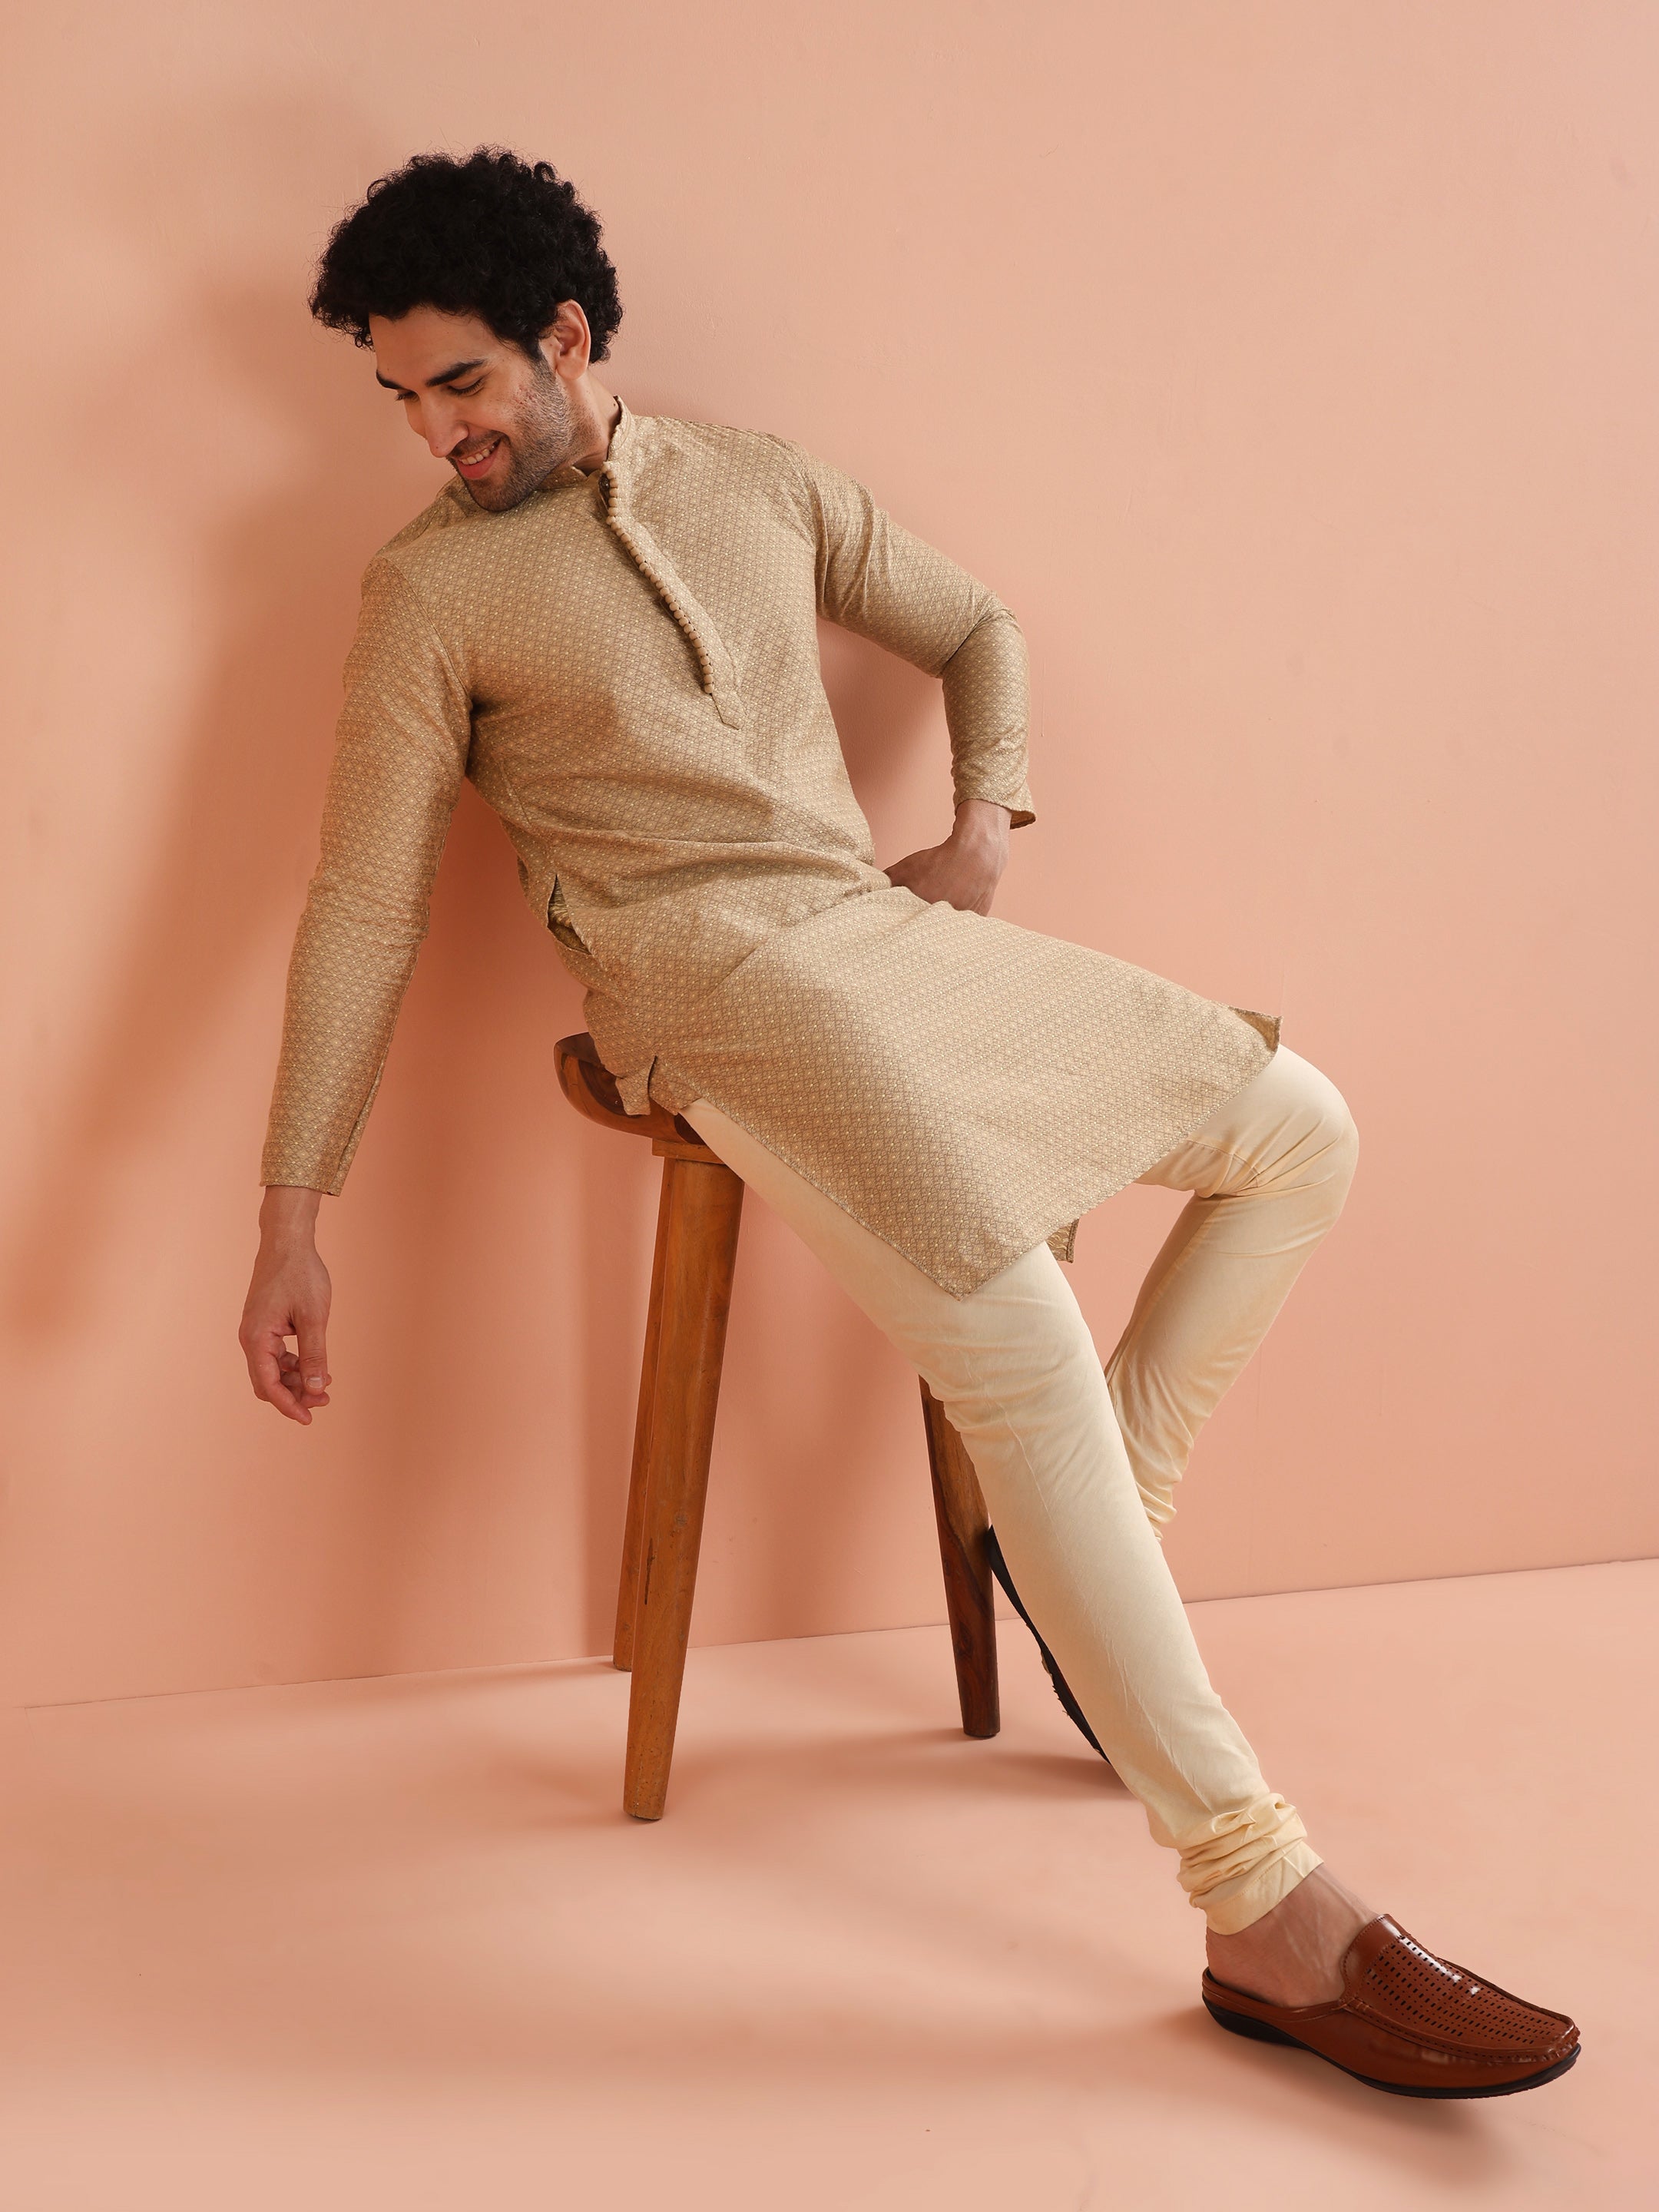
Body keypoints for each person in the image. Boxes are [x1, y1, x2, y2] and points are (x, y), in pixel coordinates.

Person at [240, 148, 1578, 2099]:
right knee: (1014, 1327)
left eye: (458, 383)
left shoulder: (765, 484)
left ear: (566, 337)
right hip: (702, 986)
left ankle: (1100, 1536)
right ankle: (1262, 1906)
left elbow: (978, 627)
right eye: (399, 399)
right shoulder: (427, 592)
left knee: (1302, 1127)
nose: (435, 433)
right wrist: (294, 1208)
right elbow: (365, 901)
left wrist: (983, 827)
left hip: (872, 934)